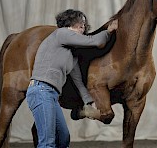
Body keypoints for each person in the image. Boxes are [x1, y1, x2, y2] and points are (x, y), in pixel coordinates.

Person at [26, 9, 118, 148]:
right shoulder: (61, 33)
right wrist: (109, 30)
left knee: (63, 139)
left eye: (84, 24)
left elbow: (78, 81)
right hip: (40, 91)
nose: (83, 26)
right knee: (47, 143)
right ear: (69, 22)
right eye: (80, 23)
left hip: (52, 95)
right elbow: (94, 41)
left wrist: (88, 102)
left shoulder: (71, 55)